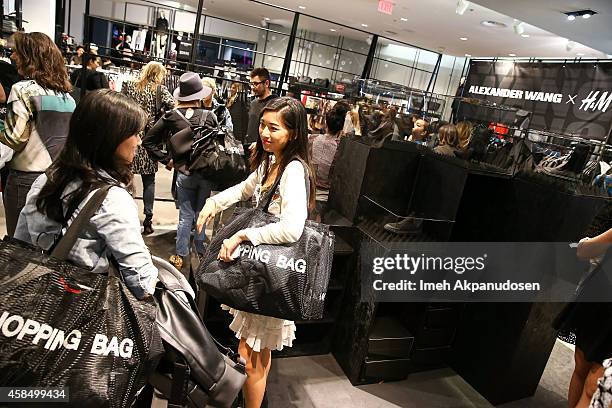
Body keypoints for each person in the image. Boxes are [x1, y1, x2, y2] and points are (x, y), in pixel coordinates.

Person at [196, 96, 315, 408]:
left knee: (250, 357)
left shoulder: (292, 170)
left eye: (274, 128)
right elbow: (246, 188)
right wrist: (213, 203)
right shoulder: (272, 162)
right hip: (261, 271)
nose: (264, 133)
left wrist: (242, 236)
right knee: (257, 354)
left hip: (269, 274)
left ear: (294, 133)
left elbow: (292, 229)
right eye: (263, 125)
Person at [14, 89, 158, 300]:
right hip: (84, 311)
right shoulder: (112, 199)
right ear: (110, 137)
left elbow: (21, 246)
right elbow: (142, 283)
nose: (139, 141)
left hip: (39, 303)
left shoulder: (45, 181)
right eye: (134, 133)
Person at [0, 32, 75, 237]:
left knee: (18, 245)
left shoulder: (22, 90)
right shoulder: (68, 98)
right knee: (44, 243)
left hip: (25, 180)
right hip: (56, 180)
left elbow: (14, 138)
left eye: (17, 52)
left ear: (30, 56)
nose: (13, 56)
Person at [143, 72, 216, 270]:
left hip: (184, 173)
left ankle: (180, 255)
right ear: (198, 95)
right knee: (202, 212)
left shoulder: (171, 116)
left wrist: (167, 160)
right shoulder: (210, 116)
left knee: (185, 215)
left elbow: (148, 141)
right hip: (206, 173)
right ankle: (200, 251)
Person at [557, 232, 612, 408]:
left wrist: (585, 244)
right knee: (583, 371)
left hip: (600, 300)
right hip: (600, 303)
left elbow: (584, 251)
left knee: (594, 382)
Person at [122, 61, 175, 235]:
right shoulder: (159, 90)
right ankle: (148, 220)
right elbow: (174, 108)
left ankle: (125, 216)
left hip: (130, 137)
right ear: (158, 74)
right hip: (150, 140)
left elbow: (120, 106)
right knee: (149, 182)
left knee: (126, 179)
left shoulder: (130, 86)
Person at [310, 103, 346, 217]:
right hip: (327, 198)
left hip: (307, 191)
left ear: (326, 123)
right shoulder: (342, 147)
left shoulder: (311, 138)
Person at [245, 68, 278, 153]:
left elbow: (275, 130)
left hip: (264, 151)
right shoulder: (253, 103)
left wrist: (259, 144)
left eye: (256, 84)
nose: (253, 87)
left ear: (266, 83)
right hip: (249, 148)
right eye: (251, 84)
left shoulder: (276, 104)